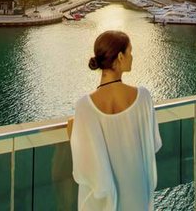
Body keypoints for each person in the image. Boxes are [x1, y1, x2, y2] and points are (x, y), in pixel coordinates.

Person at [68, 30, 161, 210]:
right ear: (120, 57)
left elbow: (84, 167)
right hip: (137, 194)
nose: (132, 57)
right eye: (130, 52)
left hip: (104, 203)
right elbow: (153, 144)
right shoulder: (143, 97)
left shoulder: (84, 107)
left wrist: (73, 128)